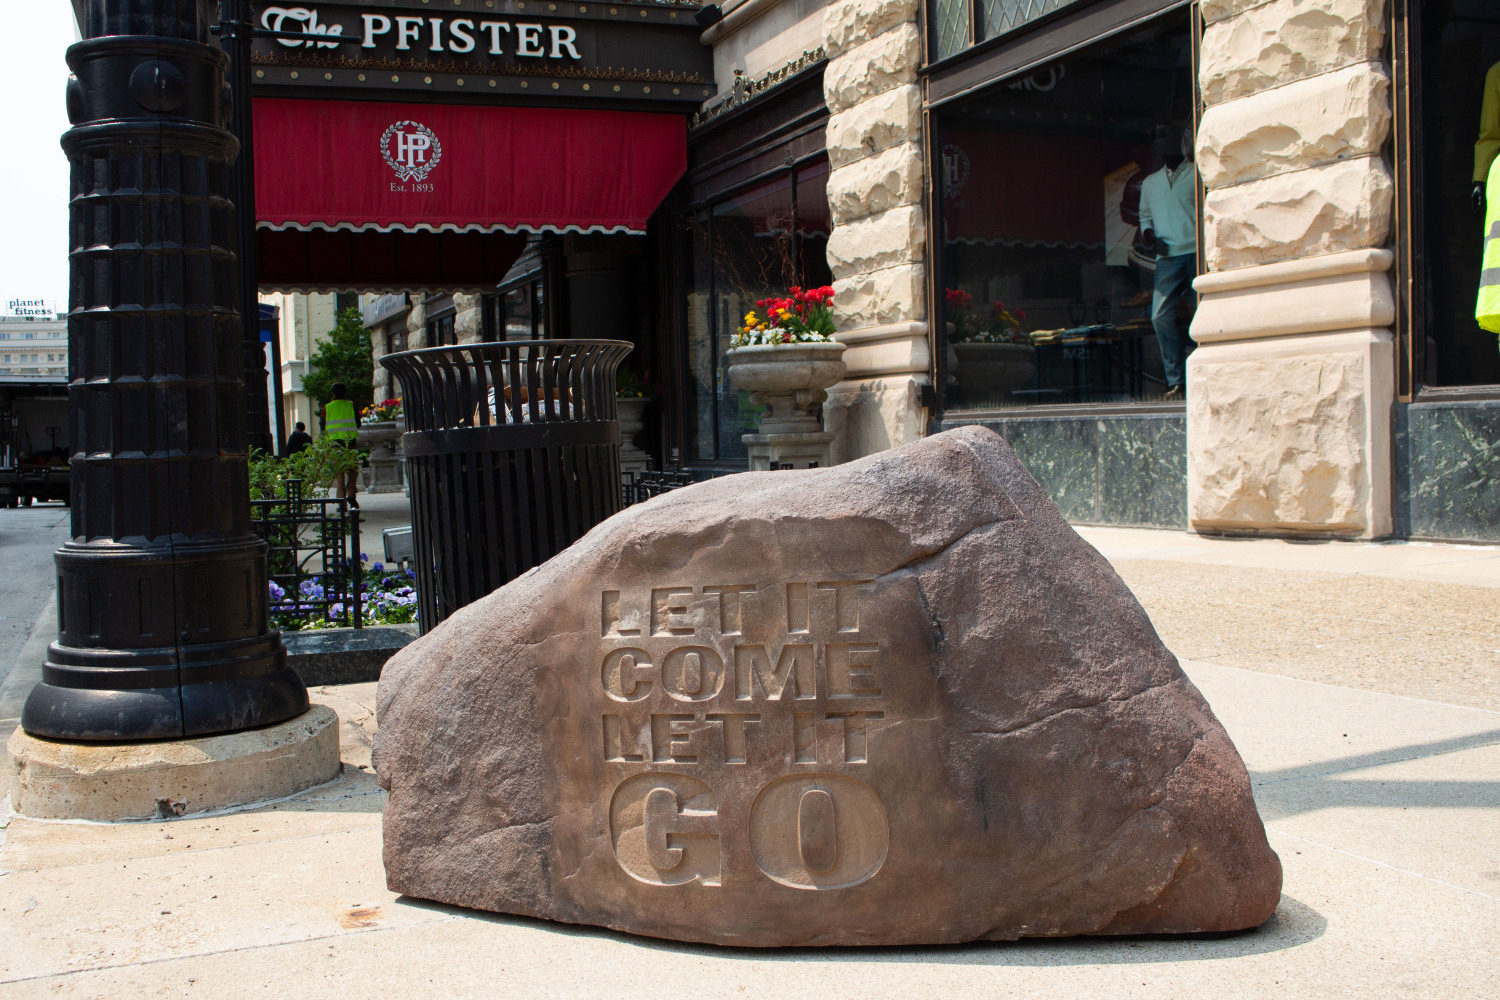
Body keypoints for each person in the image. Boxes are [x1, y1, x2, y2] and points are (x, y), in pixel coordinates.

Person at [1136, 123, 1198, 400]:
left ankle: (1200, 371)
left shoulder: (1196, 172)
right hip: (1168, 257)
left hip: (1196, 251)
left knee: (1202, 312)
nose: (1165, 148)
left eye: (1170, 140)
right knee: (1159, 315)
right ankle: (1176, 380)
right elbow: (1144, 216)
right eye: (1160, 143)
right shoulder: (1151, 183)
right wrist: (1149, 236)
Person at [323, 382, 360, 508]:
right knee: (353, 470)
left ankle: (341, 501)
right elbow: (358, 423)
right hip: (350, 444)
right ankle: (351, 493)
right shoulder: (351, 405)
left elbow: (323, 425)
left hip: (335, 445)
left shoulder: (327, 408)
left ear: (332, 393)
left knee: (339, 474)